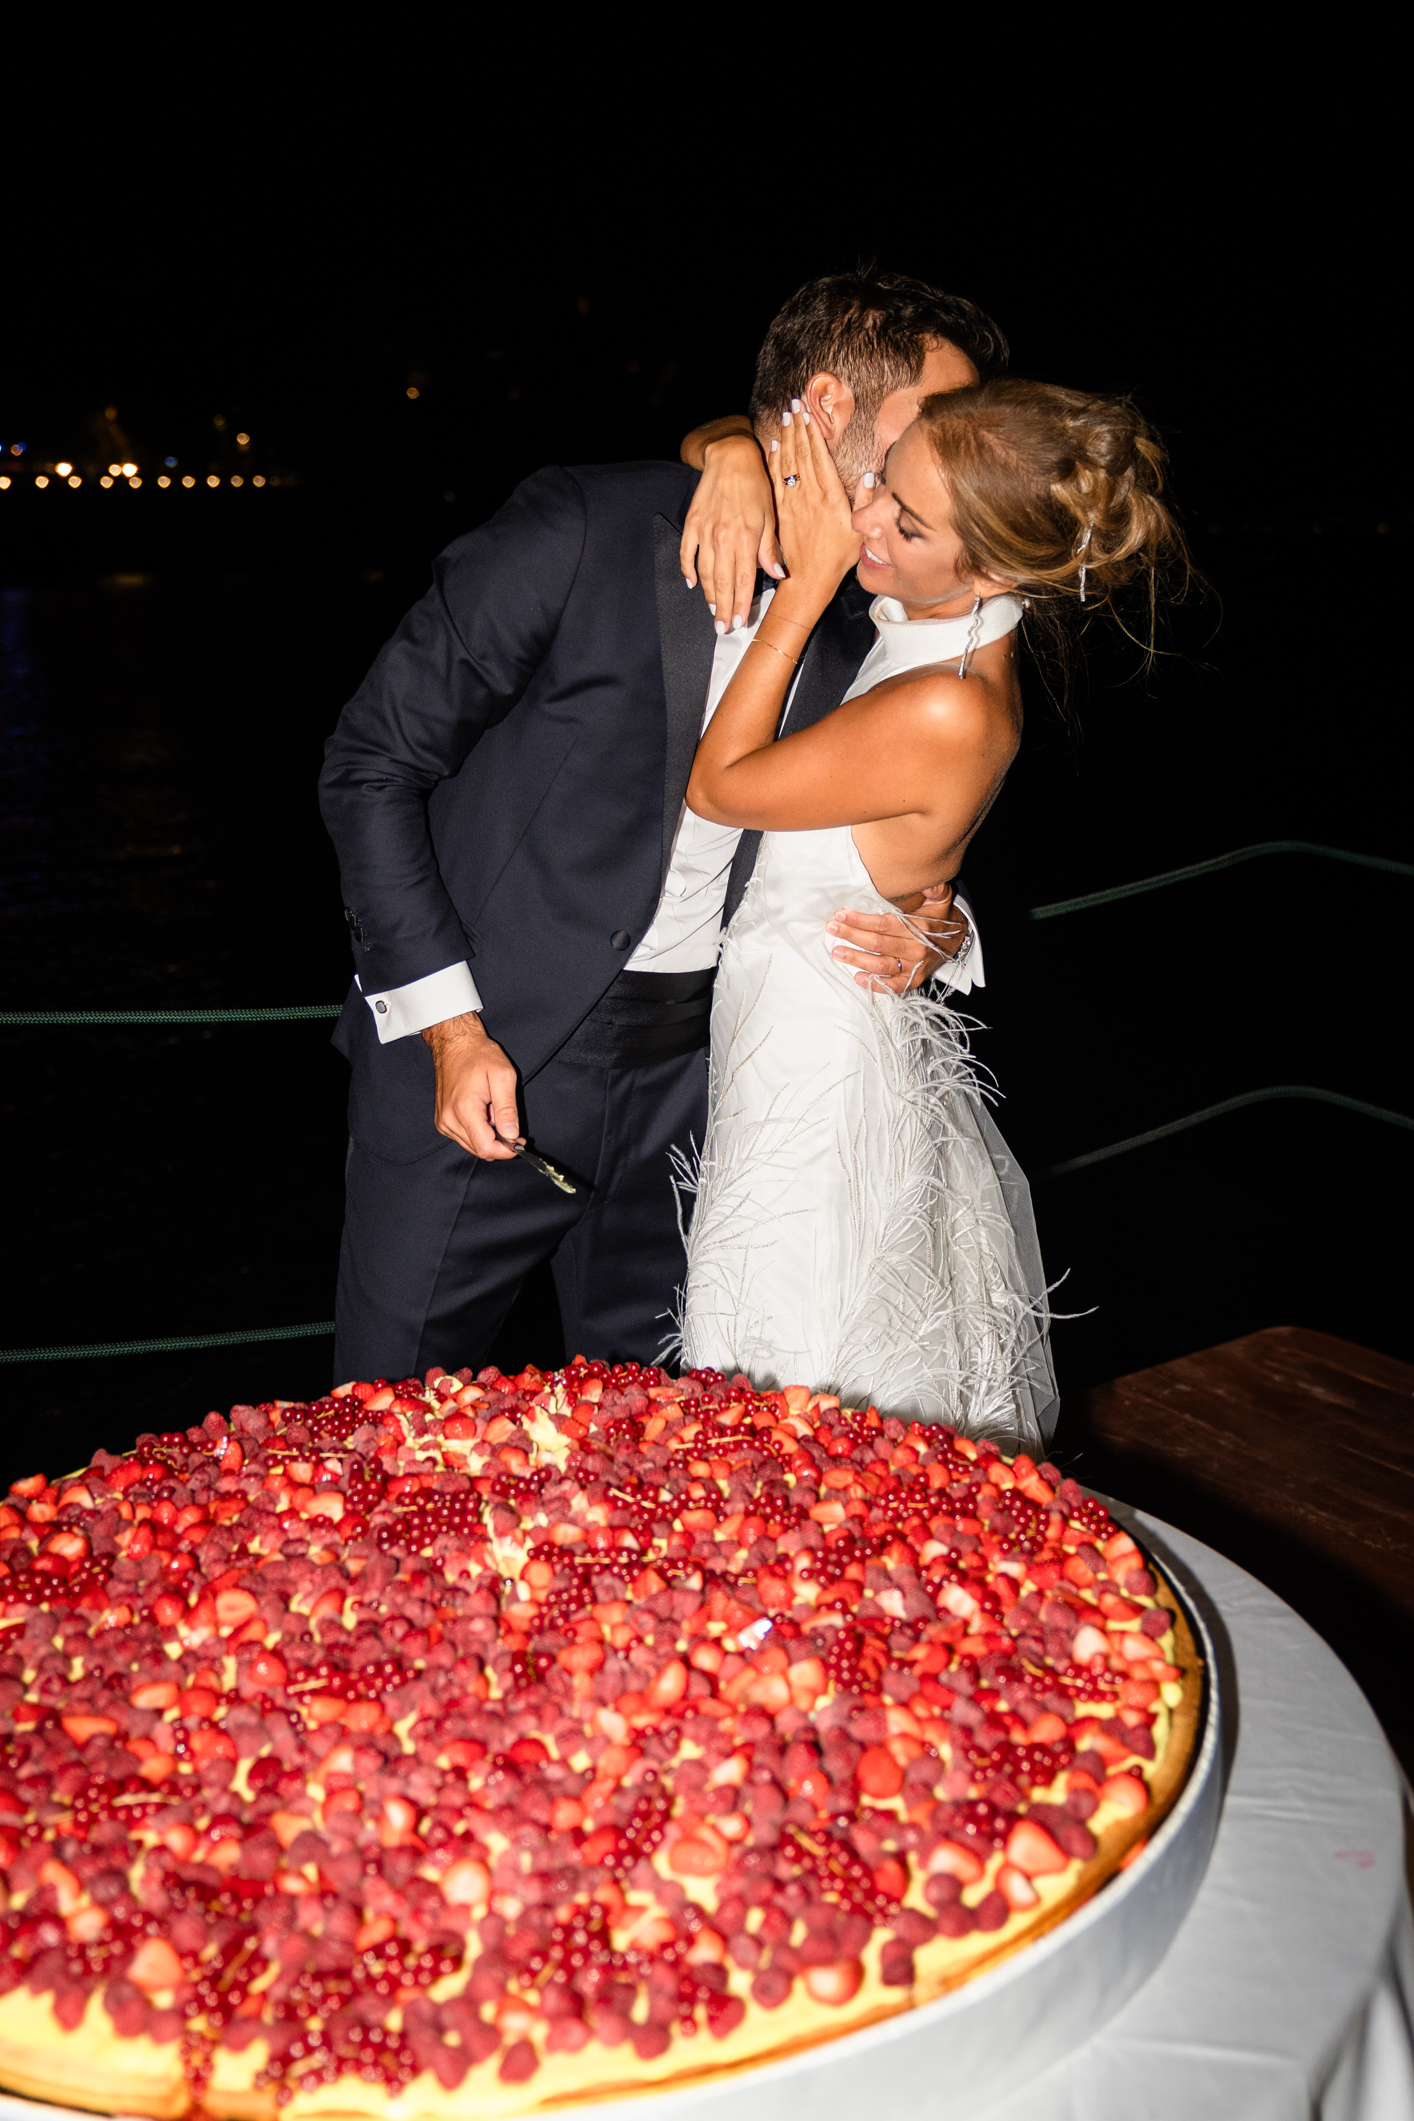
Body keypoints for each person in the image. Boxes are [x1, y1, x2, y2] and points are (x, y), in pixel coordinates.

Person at [318, 272, 1004, 1386]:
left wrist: (937, 921)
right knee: (389, 1427)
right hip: (484, 1060)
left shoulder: (872, 621)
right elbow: (369, 766)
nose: (959, 461)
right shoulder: (587, 526)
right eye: (936, 428)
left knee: (665, 1448)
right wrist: (449, 1030)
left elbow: (890, 817)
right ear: (824, 407)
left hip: (708, 1090)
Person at [679, 378, 1185, 1446]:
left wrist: (808, 584)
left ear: (996, 565)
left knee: (791, 1347)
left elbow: (721, 788)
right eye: (881, 486)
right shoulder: (958, 610)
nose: (865, 520)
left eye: (905, 522)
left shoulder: (950, 697)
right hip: (821, 995)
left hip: (811, 1044)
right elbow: (743, 436)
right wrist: (731, 448)